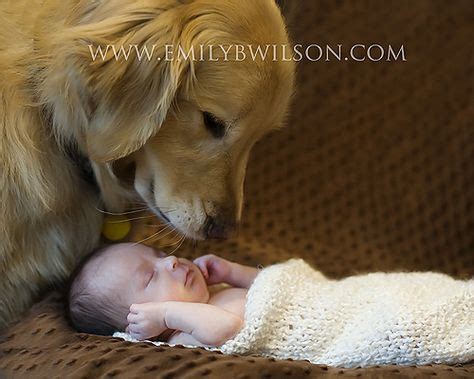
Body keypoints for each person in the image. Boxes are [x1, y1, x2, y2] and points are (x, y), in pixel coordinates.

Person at [68, 242, 256, 346]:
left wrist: (233, 273)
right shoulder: (182, 339)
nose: (171, 260)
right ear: (140, 325)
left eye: (160, 254)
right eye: (150, 277)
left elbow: (272, 281)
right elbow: (230, 328)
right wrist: (166, 314)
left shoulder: (215, 290)